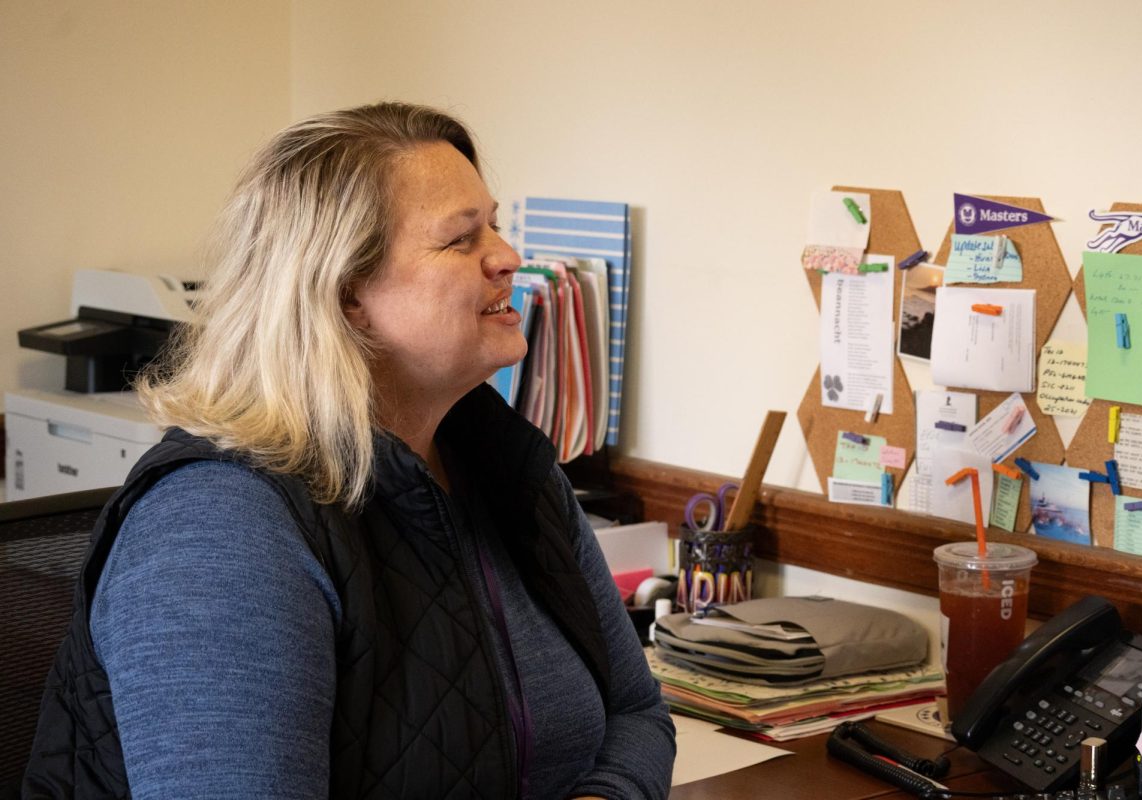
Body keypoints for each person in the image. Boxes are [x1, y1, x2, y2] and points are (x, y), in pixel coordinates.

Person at [23, 102, 675, 799]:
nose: (508, 257)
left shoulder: (505, 465)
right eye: (462, 239)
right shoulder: (218, 530)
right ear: (345, 295)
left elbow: (635, 714)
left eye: (495, 224)